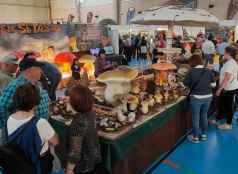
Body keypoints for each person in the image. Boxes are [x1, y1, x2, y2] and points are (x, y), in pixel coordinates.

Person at [6, 83, 58, 174]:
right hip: (38, 164)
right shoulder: (40, 123)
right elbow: (55, 141)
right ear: (35, 104)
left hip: (19, 161)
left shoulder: (10, 119)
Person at [0, 67, 49, 144]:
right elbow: (2, 106)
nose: (41, 71)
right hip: (20, 133)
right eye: (39, 69)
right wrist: (8, 125)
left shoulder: (38, 84)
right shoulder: (16, 85)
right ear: (29, 71)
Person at [66, 85, 101, 174]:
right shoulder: (91, 113)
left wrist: (69, 169)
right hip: (93, 156)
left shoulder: (78, 123)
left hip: (83, 164)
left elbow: (75, 151)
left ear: (74, 104)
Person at [183, 55, 215, 143]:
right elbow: (214, 85)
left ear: (192, 62)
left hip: (196, 98)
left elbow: (185, 84)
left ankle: (195, 137)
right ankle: (204, 135)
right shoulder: (208, 70)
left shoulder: (191, 71)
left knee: (195, 118)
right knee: (204, 116)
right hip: (208, 97)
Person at [214, 46, 238, 130]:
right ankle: (219, 118)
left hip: (230, 88)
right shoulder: (229, 62)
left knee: (229, 106)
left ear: (228, 53)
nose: (223, 53)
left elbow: (227, 78)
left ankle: (228, 124)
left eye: (224, 52)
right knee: (222, 103)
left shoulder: (231, 63)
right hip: (227, 87)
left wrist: (219, 89)